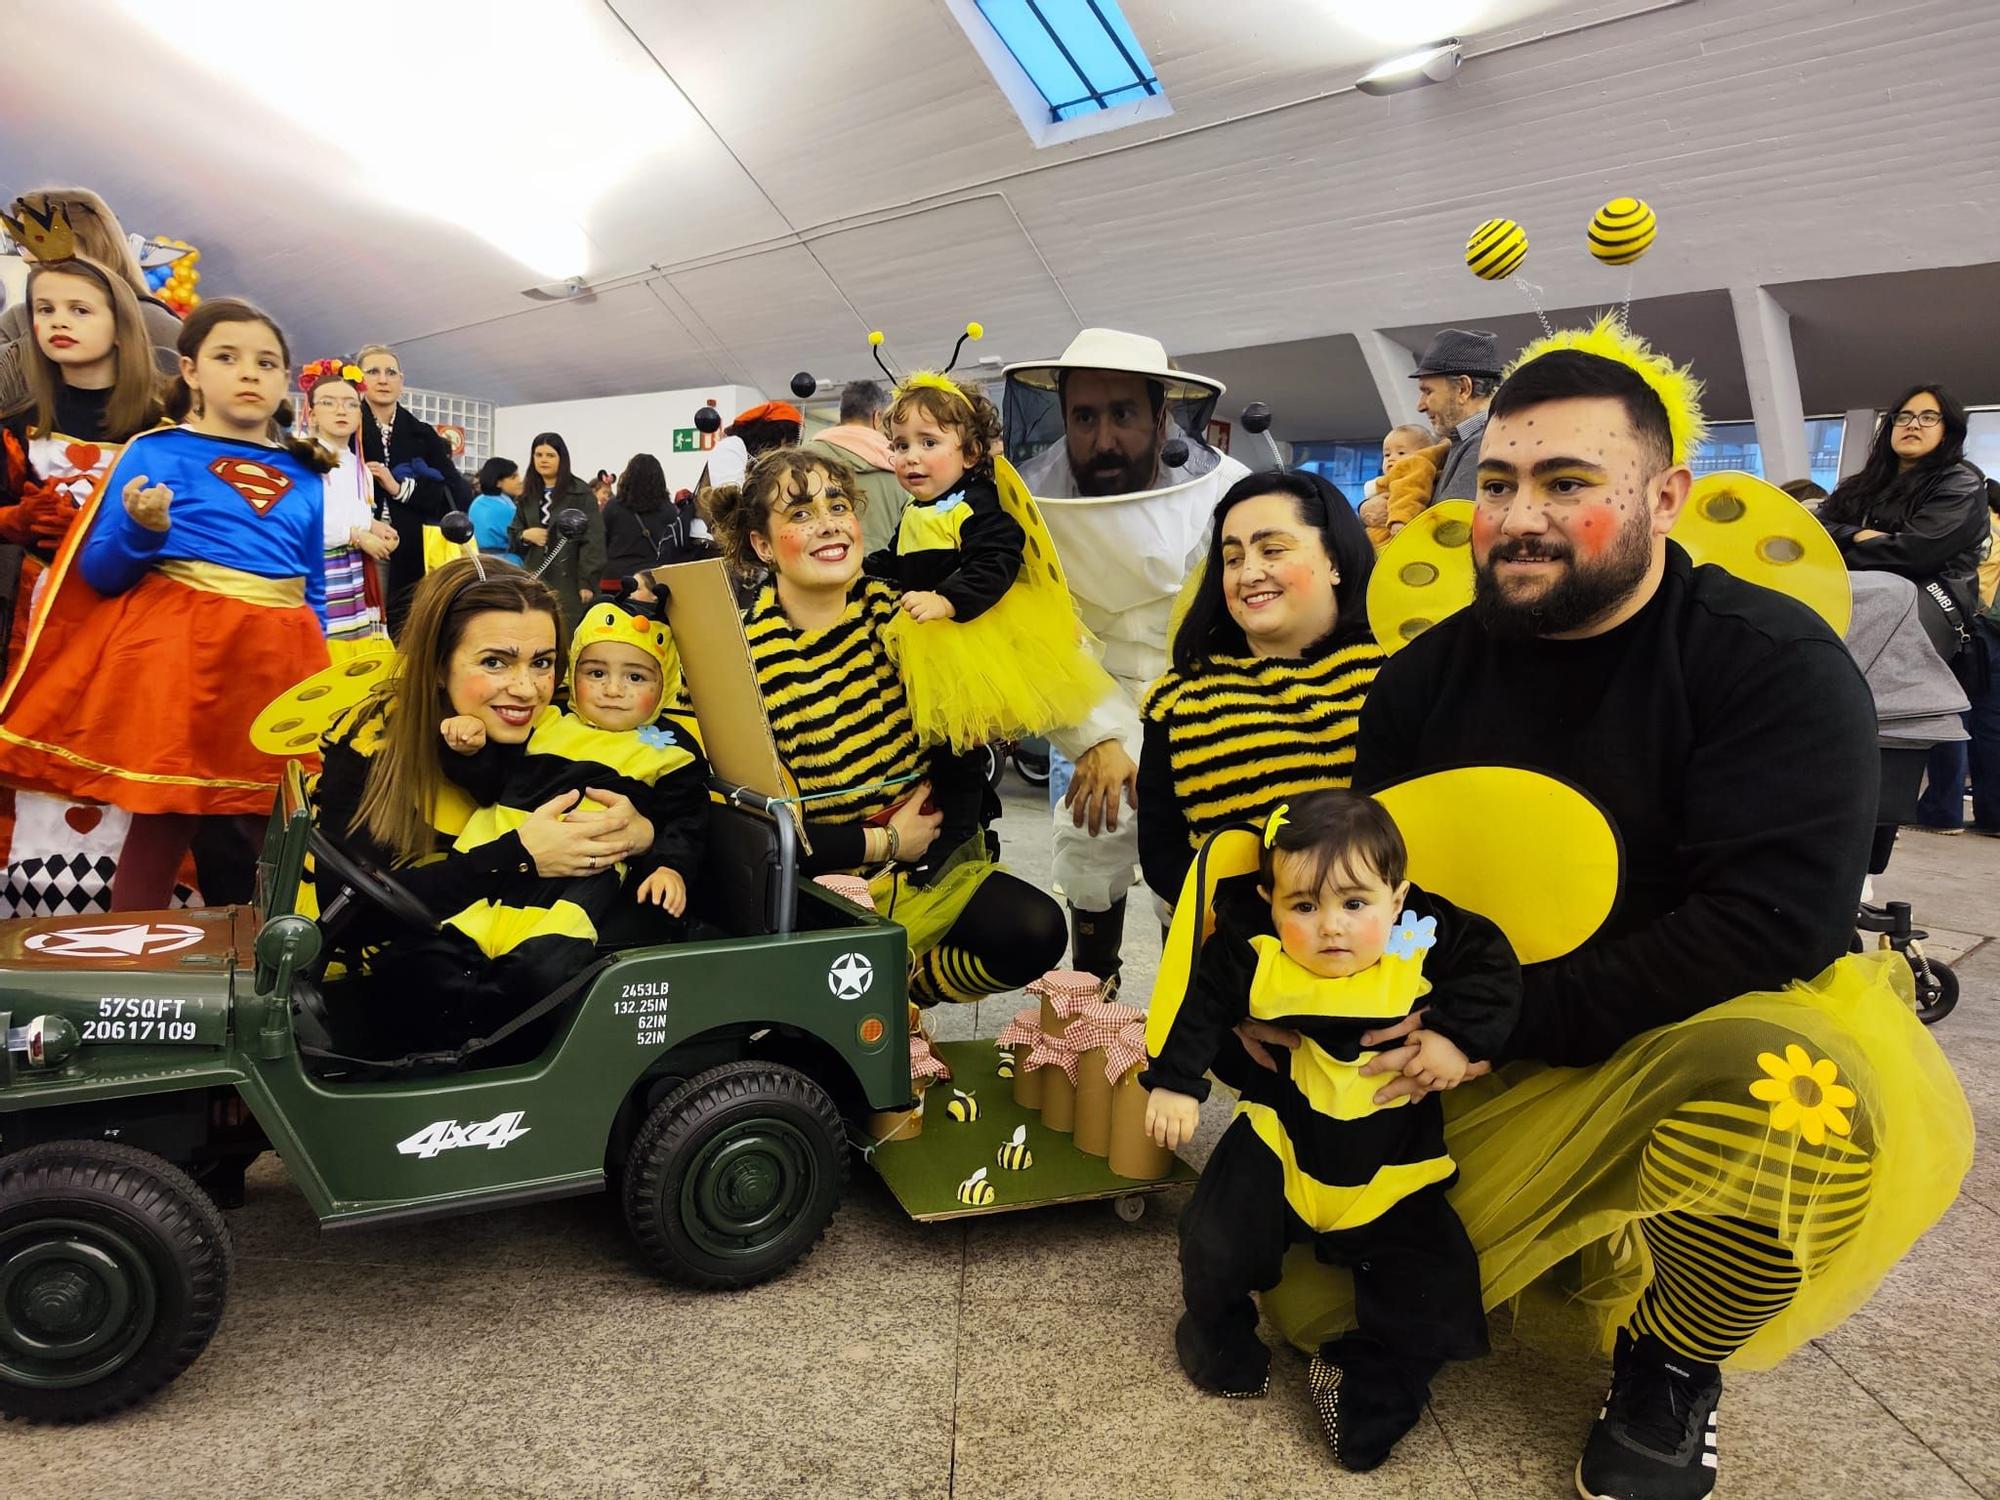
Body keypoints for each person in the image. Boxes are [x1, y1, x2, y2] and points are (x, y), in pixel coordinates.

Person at [1262, 317, 1969, 1500]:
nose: (1519, 517)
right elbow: (1377, 887)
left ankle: (1672, 1361)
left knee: (1799, 1100)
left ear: (1666, 497)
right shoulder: (1423, 679)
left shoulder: (1766, 662)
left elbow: (1769, 926)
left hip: (1673, 1029)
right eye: (1495, 483)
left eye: (1566, 481)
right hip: (1469, 1043)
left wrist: (1501, 1022)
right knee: (1308, 1296)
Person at [1143, 790, 1516, 1470]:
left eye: (1354, 904)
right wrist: (1176, 1082)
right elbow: (1199, 1003)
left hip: (1390, 1161)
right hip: (1282, 1139)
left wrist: (1457, 1039)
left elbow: (1492, 966)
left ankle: (1370, 1389)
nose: (1332, 928)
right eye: (1304, 906)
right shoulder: (1255, 949)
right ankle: (1218, 1337)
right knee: (1213, 1238)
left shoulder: (1416, 937)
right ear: (1270, 898)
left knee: (1440, 1283)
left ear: (1397, 898)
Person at [0, 298, 337, 911]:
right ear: (190, 370)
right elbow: (100, 573)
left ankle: (287, 963)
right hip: (182, 654)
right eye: (227, 357)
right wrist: (143, 530)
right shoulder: (153, 452)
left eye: (266, 362)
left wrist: (325, 678)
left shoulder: (307, 472)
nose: (248, 372)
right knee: (166, 811)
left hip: (280, 661)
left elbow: (310, 587)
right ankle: (131, 964)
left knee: (283, 819)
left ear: (284, 380)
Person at [703, 447, 1066, 1006]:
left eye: (838, 505)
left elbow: (967, 737)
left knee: (1036, 929)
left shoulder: (908, 612)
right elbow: (747, 826)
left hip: (927, 864)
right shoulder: (737, 657)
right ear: (761, 544)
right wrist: (884, 840)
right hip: (814, 883)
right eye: (799, 514)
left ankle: (910, 995)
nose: (828, 524)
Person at [313, 560, 659, 1054]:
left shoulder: (561, 727)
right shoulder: (371, 743)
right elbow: (344, 916)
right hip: (380, 1004)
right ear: (437, 664)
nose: (526, 689)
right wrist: (517, 857)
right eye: (495, 662)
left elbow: (657, 807)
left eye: (542, 662)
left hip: (508, 978)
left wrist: (642, 833)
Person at [1002, 329, 1250, 986]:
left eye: (1123, 415)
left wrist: (1177, 735)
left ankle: (1187, 1015)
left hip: (1205, 698)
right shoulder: (1027, 502)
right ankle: (1094, 1000)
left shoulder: (1230, 493)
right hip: (1093, 694)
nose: (1103, 438)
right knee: (1091, 832)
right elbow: (1039, 637)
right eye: (1085, 417)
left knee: (1195, 855)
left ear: (1162, 415)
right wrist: (1099, 738)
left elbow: (1246, 620)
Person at [0, 254, 168, 918]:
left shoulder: (168, 423)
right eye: (45, 309)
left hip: (139, 622)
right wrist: (11, 520)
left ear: (120, 323)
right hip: (35, 629)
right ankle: (26, 915)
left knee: (131, 752)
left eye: (79, 309)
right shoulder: (14, 422)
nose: (58, 323)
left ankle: (139, 914)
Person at [436, 599, 706, 1000]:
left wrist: (669, 866)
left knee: (545, 962)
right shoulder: (546, 720)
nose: (613, 690)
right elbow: (490, 783)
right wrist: (471, 750)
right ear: (572, 671)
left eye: (636, 677)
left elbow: (686, 820)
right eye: (596, 672)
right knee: (450, 943)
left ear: (664, 684)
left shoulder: (671, 748)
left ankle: (506, 1027)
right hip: (498, 854)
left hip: (582, 875)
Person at [1138, 469, 1381, 904]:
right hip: (1238, 952)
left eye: (1273, 550)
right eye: (1232, 558)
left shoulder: (1394, 672)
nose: (1249, 573)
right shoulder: (1180, 699)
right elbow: (1162, 855)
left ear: (1335, 561)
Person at [865, 370, 1110, 750]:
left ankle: (969, 807)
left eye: (928, 442)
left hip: (968, 633)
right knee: (934, 747)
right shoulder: (917, 507)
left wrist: (947, 599)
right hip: (924, 634)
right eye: (900, 446)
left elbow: (997, 560)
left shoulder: (975, 503)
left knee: (963, 748)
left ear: (971, 453)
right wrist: (860, 571)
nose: (910, 457)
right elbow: (899, 559)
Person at [1818, 384, 1989, 665]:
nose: (1913, 425)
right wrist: (1859, 534)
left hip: (1926, 611)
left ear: (1948, 430)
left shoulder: (1961, 485)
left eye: (1929, 417)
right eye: (1904, 416)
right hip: (1850, 603)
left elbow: (1914, 554)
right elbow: (1812, 531)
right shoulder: (1862, 485)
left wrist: (1834, 549)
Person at [0, 188, 182, 413]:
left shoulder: (152, 322)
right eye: (22, 244)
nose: (27, 256)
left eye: (38, 240)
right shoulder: (16, 320)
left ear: (89, 242)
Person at [356, 342, 473, 634]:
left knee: (405, 632)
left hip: (411, 551)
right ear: (359, 380)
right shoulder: (346, 427)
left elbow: (457, 495)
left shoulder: (422, 434)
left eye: (390, 372)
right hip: (355, 546)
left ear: (401, 381)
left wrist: (399, 489)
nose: (383, 379)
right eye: (373, 371)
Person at [1914, 476, 2000, 835]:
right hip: (1994, 634)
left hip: (1967, 627)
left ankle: (1943, 811)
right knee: (1991, 725)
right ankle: (1994, 815)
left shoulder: (1976, 528)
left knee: (1949, 715)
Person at [300, 357, 395, 659]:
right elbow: (307, 519)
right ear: (312, 414)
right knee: (322, 650)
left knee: (354, 652)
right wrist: (357, 536)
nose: (342, 410)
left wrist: (376, 527)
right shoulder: (301, 457)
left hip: (355, 569)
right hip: (321, 570)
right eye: (329, 403)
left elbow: (357, 510)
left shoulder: (358, 464)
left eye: (351, 404)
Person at [508, 430, 605, 637]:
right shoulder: (527, 494)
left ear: (562, 458)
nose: (543, 460)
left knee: (568, 633)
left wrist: (586, 581)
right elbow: (513, 534)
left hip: (570, 578)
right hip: (535, 575)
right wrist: (525, 535)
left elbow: (594, 539)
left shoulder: (580, 492)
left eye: (550, 455)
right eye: (538, 455)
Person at [805, 379, 907, 554]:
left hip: (820, 568)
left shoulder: (803, 459)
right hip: (884, 574)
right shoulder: (902, 467)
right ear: (878, 417)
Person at [1411, 328, 1501, 505]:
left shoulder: (1483, 444)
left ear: (1463, 388)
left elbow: (1447, 529)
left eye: (1427, 391)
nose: (1420, 406)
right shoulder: (1470, 441)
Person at [602, 452, 698, 588]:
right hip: (650, 581)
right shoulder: (668, 510)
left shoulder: (613, 507)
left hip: (615, 580)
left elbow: (601, 543)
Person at [1355, 422, 1446, 548]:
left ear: (1425, 454)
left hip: (1396, 540)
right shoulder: (1389, 480)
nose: (1391, 458)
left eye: (1401, 453)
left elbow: (1410, 494)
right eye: (1387, 454)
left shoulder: (1416, 471)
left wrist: (1400, 518)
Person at [471, 458, 524, 566]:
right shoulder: (505, 508)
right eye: (513, 477)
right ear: (498, 482)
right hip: (506, 564)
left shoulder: (478, 502)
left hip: (479, 561)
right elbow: (520, 538)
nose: (519, 480)